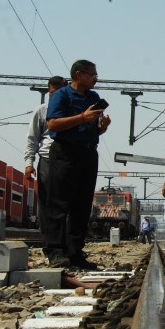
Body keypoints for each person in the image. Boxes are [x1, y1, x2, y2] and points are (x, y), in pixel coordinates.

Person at [44, 60, 111, 269]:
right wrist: (82, 117)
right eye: (92, 74)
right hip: (65, 152)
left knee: (82, 205)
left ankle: (75, 252)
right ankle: (55, 251)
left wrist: (101, 128)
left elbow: (90, 127)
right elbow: (52, 123)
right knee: (59, 203)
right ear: (79, 74)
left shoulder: (93, 97)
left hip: (88, 152)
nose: (95, 79)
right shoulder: (61, 95)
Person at [24, 76, 67, 232]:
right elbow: (32, 137)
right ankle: (48, 236)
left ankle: (64, 237)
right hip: (47, 160)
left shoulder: (72, 110)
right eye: (51, 93)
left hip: (68, 160)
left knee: (66, 201)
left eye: (58, 93)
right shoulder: (41, 111)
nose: (54, 96)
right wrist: (29, 163)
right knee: (47, 200)